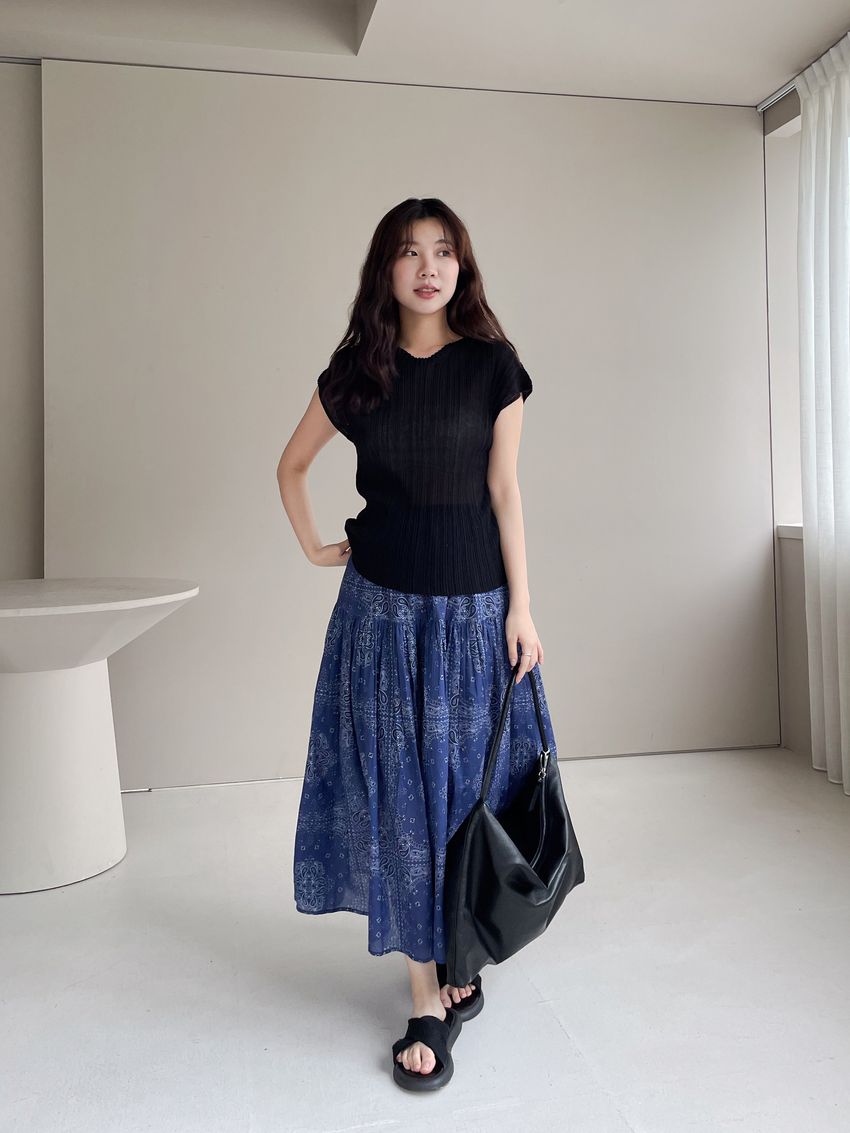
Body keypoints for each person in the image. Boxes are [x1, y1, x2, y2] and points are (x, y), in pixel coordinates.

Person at [276, 197, 559, 1091]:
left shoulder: (493, 367)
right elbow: (291, 465)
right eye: (408, 252)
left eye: (443, 251)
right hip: (384, 621)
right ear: (386, 271)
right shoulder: (358, 371)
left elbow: (505, 492)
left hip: (475, 619)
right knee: (404, 803)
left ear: (461, 267)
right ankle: (427, 996)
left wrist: (523, 607)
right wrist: (315, 546)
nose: (427, 267)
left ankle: (459, 949)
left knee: (469, 800)